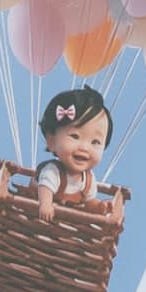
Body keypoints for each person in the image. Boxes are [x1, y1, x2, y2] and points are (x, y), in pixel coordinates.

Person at [31, 84, 113, 218]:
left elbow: (89, 203)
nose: (84, 148)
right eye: (75, 136)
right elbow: (45, 187)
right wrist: (45, 204)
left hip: (65, 226)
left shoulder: (88, 180)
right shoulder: (53, 171)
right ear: (51, 141)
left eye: (95, 142)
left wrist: (100, 207)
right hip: (41, 219)